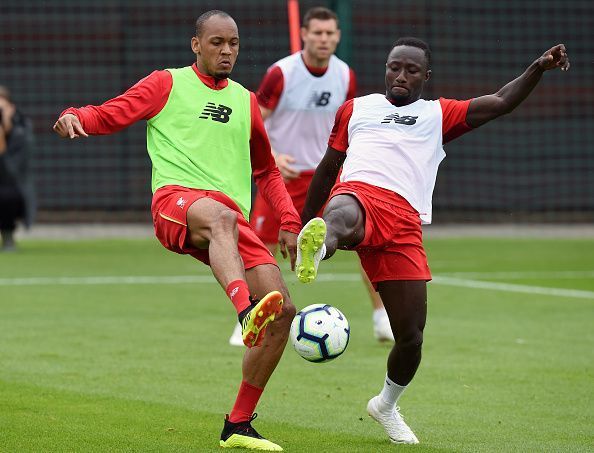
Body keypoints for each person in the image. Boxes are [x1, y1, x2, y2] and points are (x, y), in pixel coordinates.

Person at [295, 38, 570, 444]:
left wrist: (537, 67)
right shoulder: (357, 108)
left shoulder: (437, 114)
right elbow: (329, 166)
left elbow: (500, 102)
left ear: (426, 76)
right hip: (359, 193)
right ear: (385, 68)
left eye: (410, 70)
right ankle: (318, 243)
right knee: (342, 214)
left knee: (411, 337)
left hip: (404, 223)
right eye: (393, 67)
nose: (399, 76)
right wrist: (305, 219)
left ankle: (385, 405)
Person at [53, 10, 301, 451]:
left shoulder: (245, 100)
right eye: (217, 42)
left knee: (283, 314)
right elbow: (112, 114)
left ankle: (238, 425)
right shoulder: (166, 83)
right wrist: (76, 115)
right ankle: (245, 311)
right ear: (196, 45)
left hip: (231, 222)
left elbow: (265, 169)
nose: (226, 51)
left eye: (234, 44)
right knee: (222, 220)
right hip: (177, 204)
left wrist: (288, 221)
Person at [227, 6, 394, 346]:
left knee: (365, 241)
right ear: (304, 34)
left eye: (330, 33)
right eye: (317, 33)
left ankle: (381, 317)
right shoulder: (280, 74)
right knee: (259, 249)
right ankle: (249, 315)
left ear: (338, 37)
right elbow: (252, 120)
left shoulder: (345, 75)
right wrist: (271, 154)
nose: (324, 39)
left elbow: (346, 123)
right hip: (282, 179)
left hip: (327, 179)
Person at [0, 86, 35, 251]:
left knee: (7, 194)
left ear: (11, 109)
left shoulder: (21, 132)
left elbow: (12, 172)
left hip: (13, 189)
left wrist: (1, 143)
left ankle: (8, 237)